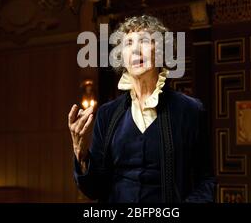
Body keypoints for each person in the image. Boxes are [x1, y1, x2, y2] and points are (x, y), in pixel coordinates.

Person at [68, 15, 216, 203]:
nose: (136, 49)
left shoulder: (190, 110)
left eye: (145, 41)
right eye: (128, 43)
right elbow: (95, 190)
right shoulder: (108, 114)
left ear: (161, 52)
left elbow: (206, 181)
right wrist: (80, 152)